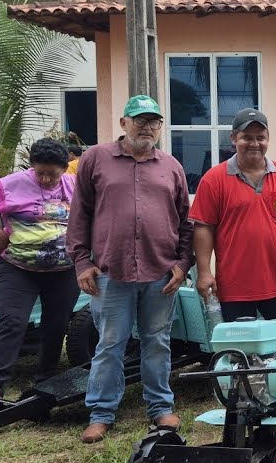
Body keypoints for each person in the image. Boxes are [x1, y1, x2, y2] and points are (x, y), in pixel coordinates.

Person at [68, 95, 193, 444]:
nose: (147, 127)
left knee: (157, 342)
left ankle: (160, 407)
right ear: (124, 123)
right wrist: (81, 261)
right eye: (140, 120)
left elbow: (185, 221)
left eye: (154, 122)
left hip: (160, 272)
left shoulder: (171, 166)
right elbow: (79, 214)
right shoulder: (95, 159)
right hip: (111, 269)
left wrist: (183, 264)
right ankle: (101, 413)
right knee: (110, 343)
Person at [0, 139, 79, 405]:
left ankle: (47, 380)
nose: (47, 178)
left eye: (53, 173)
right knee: (12, 322)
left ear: (65, 168)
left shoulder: (74, 185)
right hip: (18, 268)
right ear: (32, 167)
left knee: (57, 324)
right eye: (41, 173)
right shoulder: (12, 184)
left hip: (63, 270)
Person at [191, 109, 276, 322]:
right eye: (247, 138)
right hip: (235, 289)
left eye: (260, 138)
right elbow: (204, 228)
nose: (254, 143)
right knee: (241, 353)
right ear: (233, 138)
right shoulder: (214, 179)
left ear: (268, 139)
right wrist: (204, 272)